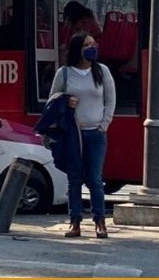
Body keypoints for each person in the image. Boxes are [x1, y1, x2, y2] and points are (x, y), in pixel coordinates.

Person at [49, 31, 115, 238]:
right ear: (78, 48)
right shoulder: (65, 73)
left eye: (93, 44)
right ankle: (75, 221)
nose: (92, 47)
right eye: (87, 44)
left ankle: (100, 221)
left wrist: (104, 124)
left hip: (96, 133)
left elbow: (110, 100)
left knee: (95, 179)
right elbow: (52, 99)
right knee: (74, 179)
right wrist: (65, 100)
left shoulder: (102, 71)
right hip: (72, 134)